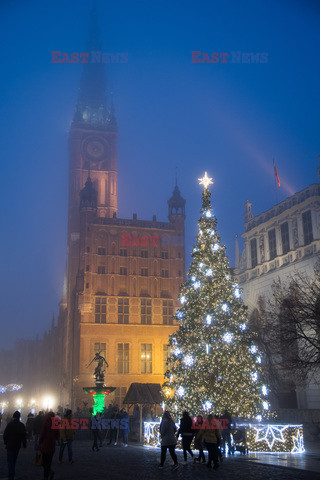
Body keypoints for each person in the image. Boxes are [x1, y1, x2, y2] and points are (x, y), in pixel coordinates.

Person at [3, 410, 27, 480]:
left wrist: (6, 442)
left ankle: (11, 475)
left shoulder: (10, 424)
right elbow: (24, 436)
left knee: (10, 461)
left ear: (13, 417)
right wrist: (24, 445)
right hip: (17, 445)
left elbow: (5, 435)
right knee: (14, 460)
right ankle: (12, 474)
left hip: (10, 445)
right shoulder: (21, 425)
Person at [39, 411, 59, 480]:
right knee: (49, 462)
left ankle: (46, 475)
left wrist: (39, 443)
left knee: (44, 462)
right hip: (52, 446)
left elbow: (42, 435)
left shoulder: (46, 423)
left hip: (45, 445)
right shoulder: (55, 424)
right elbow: (57, 435)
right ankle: (48, 473)